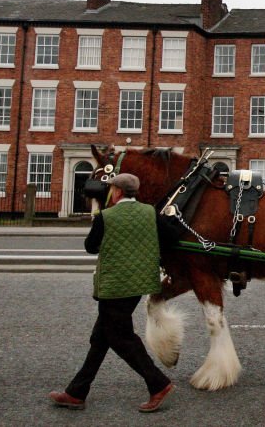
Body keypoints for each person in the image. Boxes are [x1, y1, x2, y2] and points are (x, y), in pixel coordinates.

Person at [49, 173, 175, 413]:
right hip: (139, 284)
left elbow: (90, 246)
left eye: (110, 189)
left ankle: (158, 384)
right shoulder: (150, 212)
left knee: (121, 338)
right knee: (101, 338)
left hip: (115, 285)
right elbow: (171, 237)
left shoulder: (106, 216)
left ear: (116, 191)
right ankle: (76, 392)